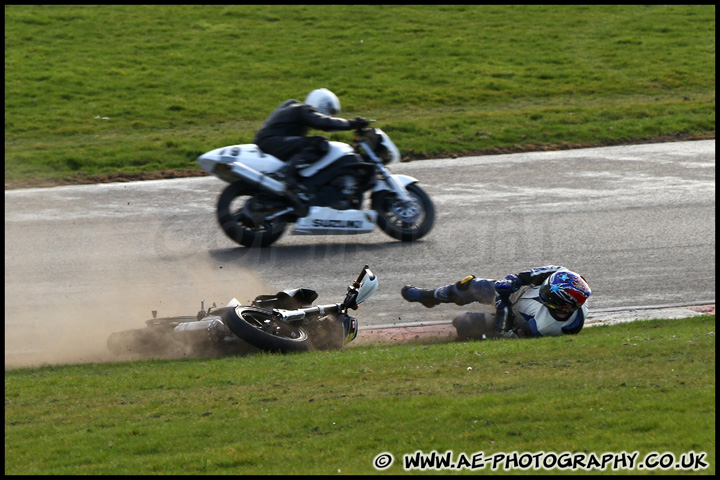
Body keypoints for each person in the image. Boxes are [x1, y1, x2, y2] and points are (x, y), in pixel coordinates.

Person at [401, 265, 591, 340]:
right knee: (469, 286)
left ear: (561, 305)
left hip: (511, 317)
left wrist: (503, 305)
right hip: (518, 292)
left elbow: (505, 335)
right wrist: (515, 280)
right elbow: (542, 272)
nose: (544, 289)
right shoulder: (566, 277)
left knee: (464, 322)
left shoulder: (544, 327)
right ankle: (429, 297)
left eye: (548, 293)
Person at [253, 88, 369, 188]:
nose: (329, 114)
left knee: (307, 145)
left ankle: (291, 176)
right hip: (271, 141)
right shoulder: (303, 109)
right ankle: (285, 174)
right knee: (318, 143)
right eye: (329, 110)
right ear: (320, 102)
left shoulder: (294, 109)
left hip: (270, 141)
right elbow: (323, 122)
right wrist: (351, 123)